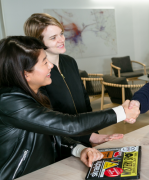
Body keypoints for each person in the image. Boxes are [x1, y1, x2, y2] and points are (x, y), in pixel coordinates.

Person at [0, 36, 140, 180]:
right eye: (44, 62)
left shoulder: (32, 94)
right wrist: (121, 112)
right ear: (25, 73)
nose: (51, 66)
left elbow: (50, 133)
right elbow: (70, 125)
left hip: (39, 179)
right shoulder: (9, 102)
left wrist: (79, 149)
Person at [23, 13, 120, 150]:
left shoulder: (69, 62)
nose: (61, 39)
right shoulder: (38, 74)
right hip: (64, 145)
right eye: (53, 37)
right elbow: (50, 122)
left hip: (88, 136)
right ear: (38, 42)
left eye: (61, 34)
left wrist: (93, 134)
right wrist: (86, 138)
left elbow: (85, 101)